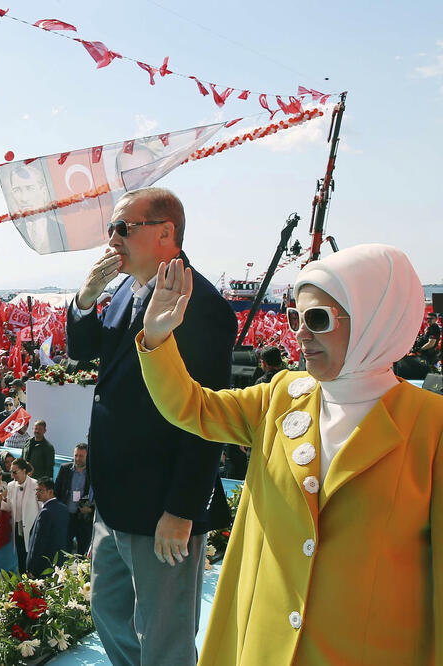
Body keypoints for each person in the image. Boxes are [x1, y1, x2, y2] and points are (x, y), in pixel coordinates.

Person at [137, 246, 441, 665]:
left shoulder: (432, 426)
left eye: (317, 319)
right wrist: (157, 338)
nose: (299, 333)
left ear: (376, 320)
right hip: (265, 649)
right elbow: (192, 408)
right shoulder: (280, 395)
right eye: (296, 318)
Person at [66, 187, 236, 665]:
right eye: (111, 229)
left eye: (124, 227)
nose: (113, 238)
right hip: (116, 500)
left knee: (163, 638)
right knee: (108, 615)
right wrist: (84, 299)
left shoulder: (198, 303)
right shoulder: (126, 289)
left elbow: (208, 417)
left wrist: (182, 509)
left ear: (166, 233)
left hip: (162, 505)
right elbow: (85, 353)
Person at [54, 443, 94, 555]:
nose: (77, 459)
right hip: (67, 517)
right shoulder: (65, 469)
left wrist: (91, 510)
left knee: (83, 550)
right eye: (76, 455)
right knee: (64, 550)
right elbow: (57, 491)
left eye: (81, 456)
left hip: (84, 519)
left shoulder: (93, 473)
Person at [26, 477, 69, 576]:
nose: (37, 493)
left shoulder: (45, 512)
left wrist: (31, 567)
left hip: (43, 566)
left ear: (50, 492)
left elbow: (38, 542)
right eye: (36, 490)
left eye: (40, 490)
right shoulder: (64, 508)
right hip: (58, 564)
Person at [7, 459, 39, 573]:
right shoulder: (11, 486)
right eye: (11, 472)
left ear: (24, 471)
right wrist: (0, 501)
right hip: (17, 526)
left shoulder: (35, 484)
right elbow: (9, 506)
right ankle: (22, 584)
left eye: (15, 472)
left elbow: (42, 507)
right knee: (21, 556)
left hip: (33, 527)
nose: (12, 475)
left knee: (32, 557)